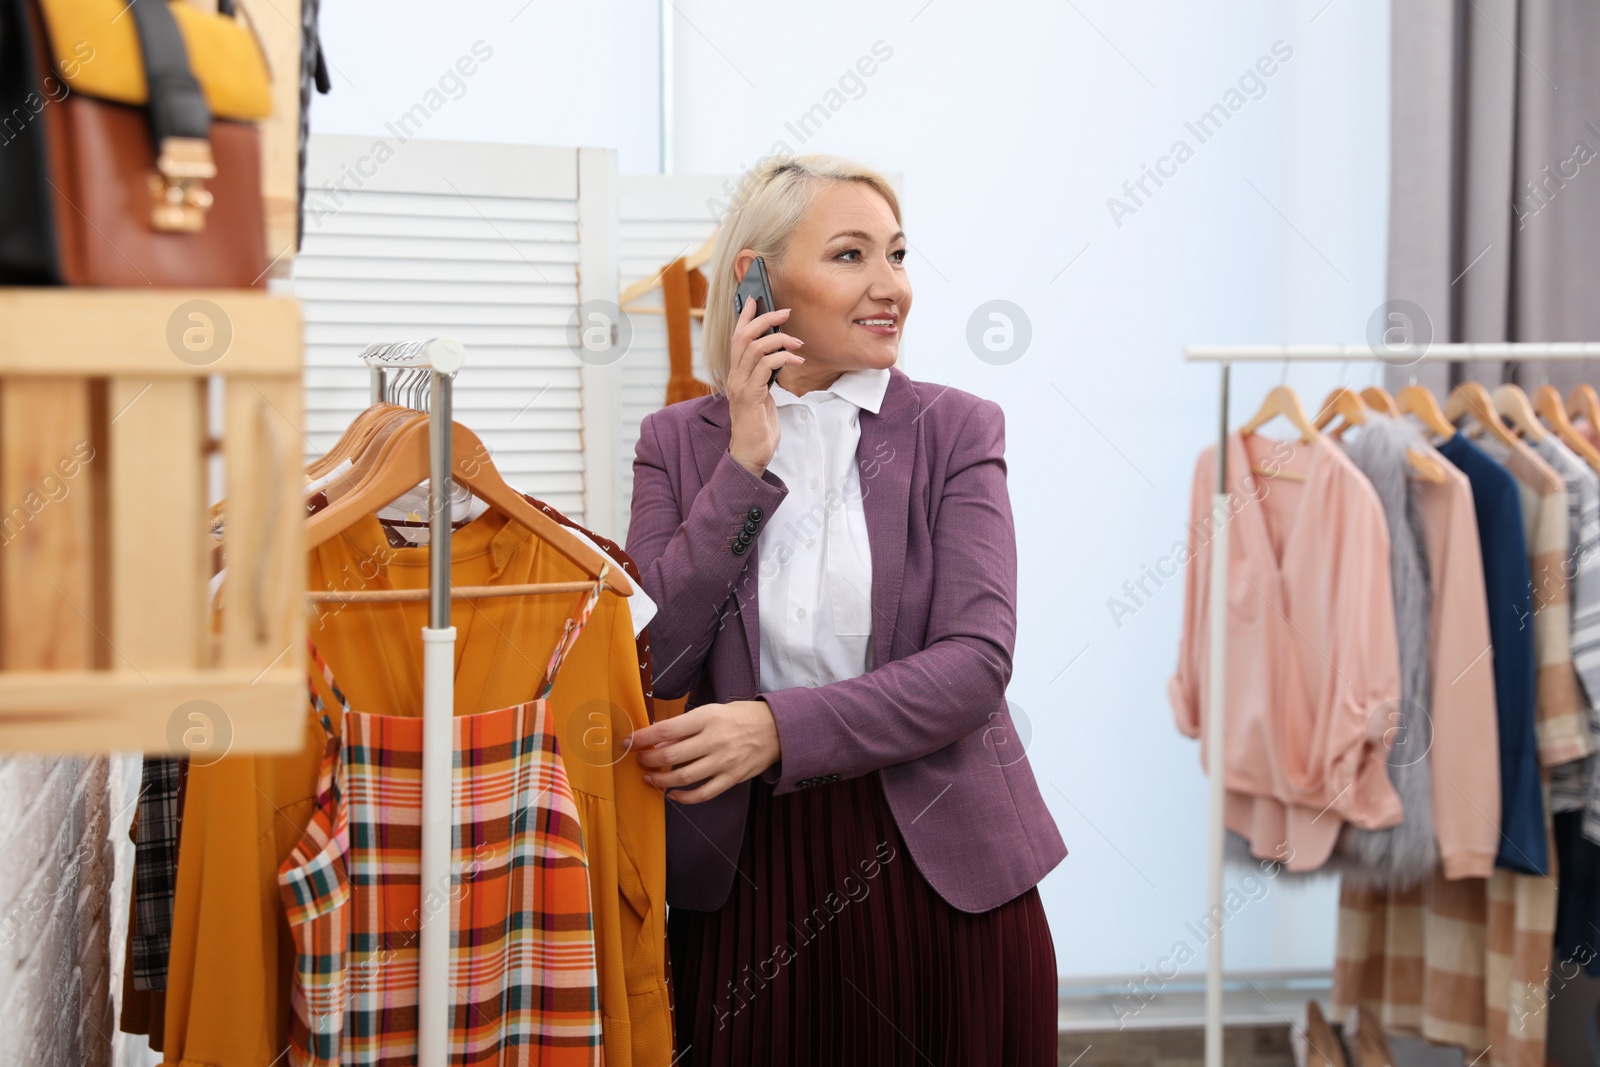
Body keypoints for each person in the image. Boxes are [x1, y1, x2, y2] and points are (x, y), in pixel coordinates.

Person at [623, 153, 1067, 1065]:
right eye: (851, 255)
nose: (889, 287)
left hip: (942, 869)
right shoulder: (677, 444)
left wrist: (775, 728)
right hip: (750, 878)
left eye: (897, 255)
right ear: (757, 278)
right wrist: (744, 462)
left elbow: (976, 664)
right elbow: (656, 656)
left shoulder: (957, 428)